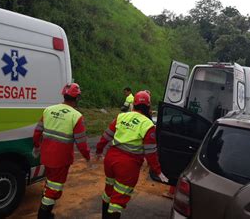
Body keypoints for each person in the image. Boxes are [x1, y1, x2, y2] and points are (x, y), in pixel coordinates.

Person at [96, 91, 169, 219]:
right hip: (127, 166)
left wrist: (98, 150)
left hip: (110, 160)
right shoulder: (148, 125)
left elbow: (106, 136)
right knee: (118, 201)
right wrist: (158, 171)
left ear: (134, 104)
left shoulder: (121, 116)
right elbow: (150, 152)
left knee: (109, 191)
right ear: (148, 106)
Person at [32, 83, 91, 219]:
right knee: (54, 189)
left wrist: (36, 146)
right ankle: (43, 215)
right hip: (61, 159)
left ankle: (46, 209)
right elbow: (81, 142)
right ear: (77, 98)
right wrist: (87, 156)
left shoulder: (48, 110)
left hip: (46, 156)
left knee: (50, 182)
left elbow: (37, 131)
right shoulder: (76, 116)